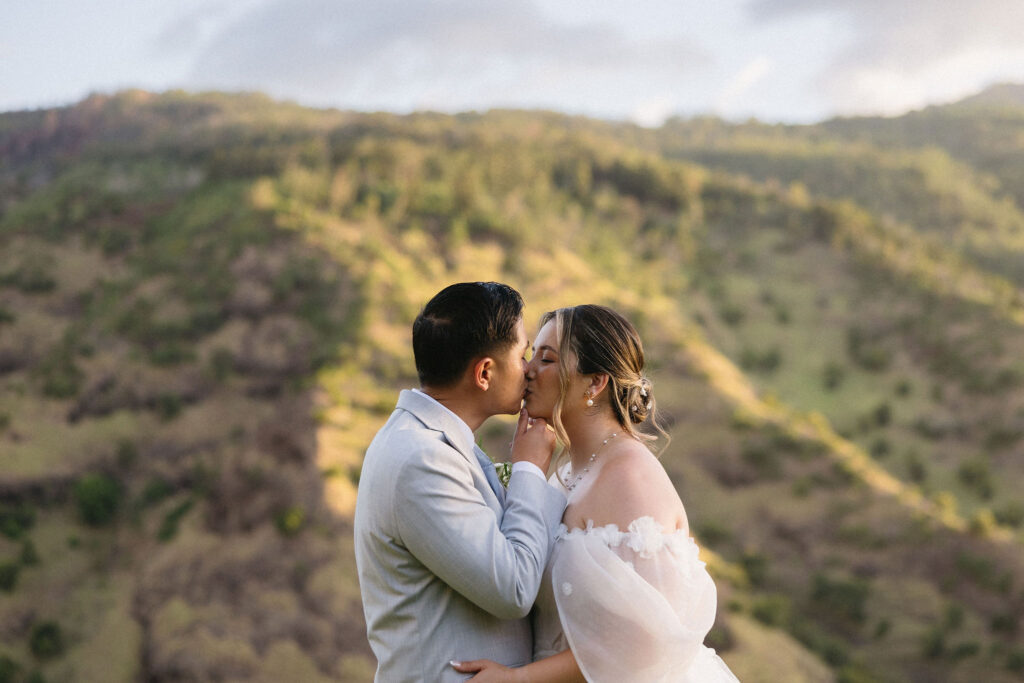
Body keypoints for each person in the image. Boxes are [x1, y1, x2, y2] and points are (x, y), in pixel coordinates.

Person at [452, 305, 739, 682]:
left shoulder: (629, 475)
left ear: (595, 382)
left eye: (547, 358)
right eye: (531, 354)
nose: (528, 369)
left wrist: (518, 679)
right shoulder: (568, 471)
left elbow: (645, 643)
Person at [354, 282, 568, 682]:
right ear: (485, 372)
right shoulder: (421, 459)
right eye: (521, 354)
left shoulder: (434, 443)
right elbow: (515, 587)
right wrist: (528, 469)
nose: (528, 369)